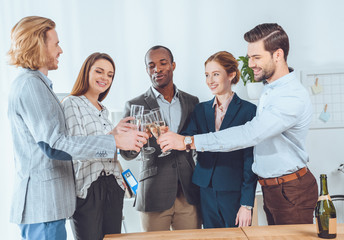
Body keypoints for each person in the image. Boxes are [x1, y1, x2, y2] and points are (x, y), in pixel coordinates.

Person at [159, 23, 318, 225]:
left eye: (256, 57)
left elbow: (249, 135)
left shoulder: (290, 96)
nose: (250, 64)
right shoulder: (271, 90)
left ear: (277, 55)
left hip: (290, 189)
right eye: (250, 57)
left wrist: (188, 141)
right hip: (274, 189)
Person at [7, 16, 147, 240]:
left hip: (53, 205)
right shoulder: (31, 85)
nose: (60, 50)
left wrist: (114, 136)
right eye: (56, 44)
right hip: (44, 205)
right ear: (38, 45)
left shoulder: (38, 84)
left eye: (110, 74)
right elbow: (54, 145)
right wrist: (114, 141)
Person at [121, 45, 201, 231]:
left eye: (163, 63)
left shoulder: (192, 102)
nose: (157, 69)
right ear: (147, 70)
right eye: (151, 65)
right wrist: (138, 140)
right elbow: (126, 153)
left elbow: (197, 142)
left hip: (188, 192)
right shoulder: (135, 104)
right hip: (153, 194)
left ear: (173, 65)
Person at [181, 51, 257, 228]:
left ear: (231, 75)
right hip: (205, 189)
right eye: (207, 75)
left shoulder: (249, 111)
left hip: (233, 190)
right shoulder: (200, 110)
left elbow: (250, 160)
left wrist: (246, 204)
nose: (210, 80)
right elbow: (186, 138)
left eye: (216, 74)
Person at [62, 53, 127, 240]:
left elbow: (109, 148)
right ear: (86, 72)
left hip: (113, 186)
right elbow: (77, 149)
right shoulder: (72, 103)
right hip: (88, 188)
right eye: (99, 71)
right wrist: (112, 137)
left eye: (110, 75)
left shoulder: (103, 110)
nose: (105, 78)